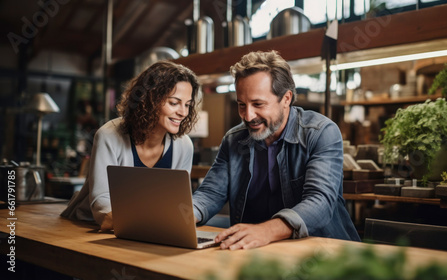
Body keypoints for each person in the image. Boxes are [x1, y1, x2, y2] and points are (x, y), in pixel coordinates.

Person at [192, 51, 360, 250]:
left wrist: (266, 231)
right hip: (259, 252)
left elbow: (320, 202)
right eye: (241, 105)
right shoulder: (234, 140)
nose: (248, 116)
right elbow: (210, 193)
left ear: (286, 98)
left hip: (325, 253)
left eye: (258, 104)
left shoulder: (321, 133)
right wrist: (182, 216)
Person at [61, 60, 201, 231]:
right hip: (88, 227)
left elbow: (177, 201)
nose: (183, 112)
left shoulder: (184, 146)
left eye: (187, 105)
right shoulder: (108, 136)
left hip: (146, 229)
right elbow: (102, 200)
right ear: (150, 100)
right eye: (174, 103)